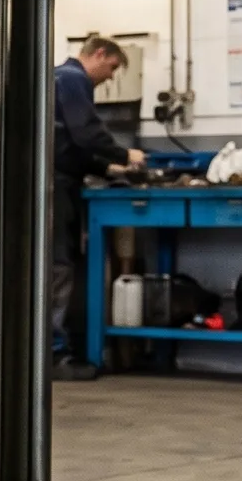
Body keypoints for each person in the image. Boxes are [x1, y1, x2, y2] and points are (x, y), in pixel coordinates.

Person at [51, 34, 145, 380]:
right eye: (112, 67)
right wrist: (124, 155)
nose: (111, 76)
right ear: (99, 54)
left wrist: (106, 169)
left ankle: (54, 348)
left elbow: (70, 146)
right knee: (58, 267)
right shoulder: (74, 78)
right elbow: (85, 132)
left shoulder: (58, 78)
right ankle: (53, 355)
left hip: (59, 182)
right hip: (55, 187)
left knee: (58, 265)